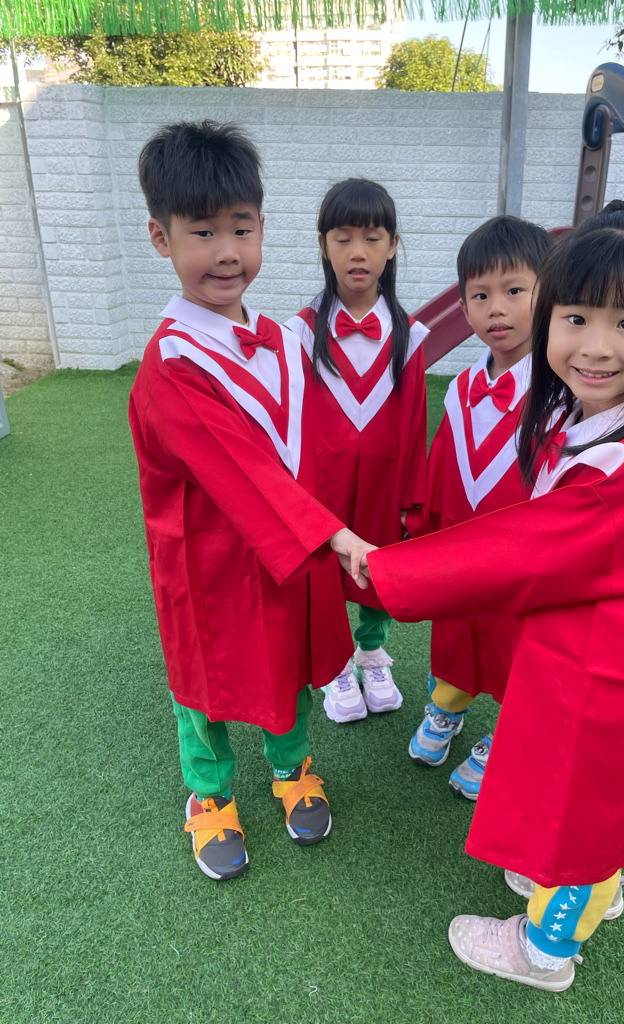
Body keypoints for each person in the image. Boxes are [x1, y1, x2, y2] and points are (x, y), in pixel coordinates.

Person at [362, 203, 624, 991]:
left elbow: (522, 550)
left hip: (599, 670)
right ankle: (593, 888)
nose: (594, 346)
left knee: (579, 814)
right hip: (602, 653)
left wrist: (387, 571)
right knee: (592, 804)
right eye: (576, 317)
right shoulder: (606, 420)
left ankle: (546, 950)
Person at [128, 121, 369, 881]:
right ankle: (208, 794)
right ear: (162, 238)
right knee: (204, 679)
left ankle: (292, 768)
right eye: (202, 232)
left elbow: (317, 446)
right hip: (209, 559)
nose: (227, 251)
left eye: (241, 227)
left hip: (288, 549)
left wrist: (348, 516)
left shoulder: (280, 340)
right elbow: (236, 468)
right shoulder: (171, 363)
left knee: (287, 663)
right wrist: (332, 536)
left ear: (263, 226)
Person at [405, 215, 551, 799]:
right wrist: (424, 526)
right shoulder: (462, 387)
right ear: (463, 308)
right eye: (480, 296)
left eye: (515, 291)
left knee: (517, 644)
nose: (498, 309)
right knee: (457, 631)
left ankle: (513, 734)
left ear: (547, 294)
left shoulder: (561, 393)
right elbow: (443, 460)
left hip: (523, 557)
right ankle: (447, 706)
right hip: (462, 546)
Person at [286, 179, 428, 723]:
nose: (358, 252)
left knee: (378, 565)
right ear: (323, 246)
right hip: (322, 482)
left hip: (384, 482)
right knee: (324, 571)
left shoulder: (408, 334)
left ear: (393, 245)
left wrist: (411, 498)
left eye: (372, 238)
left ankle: (372, 653)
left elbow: (414, 422)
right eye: (343, 238)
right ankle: (335, 665)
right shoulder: (299, 334)